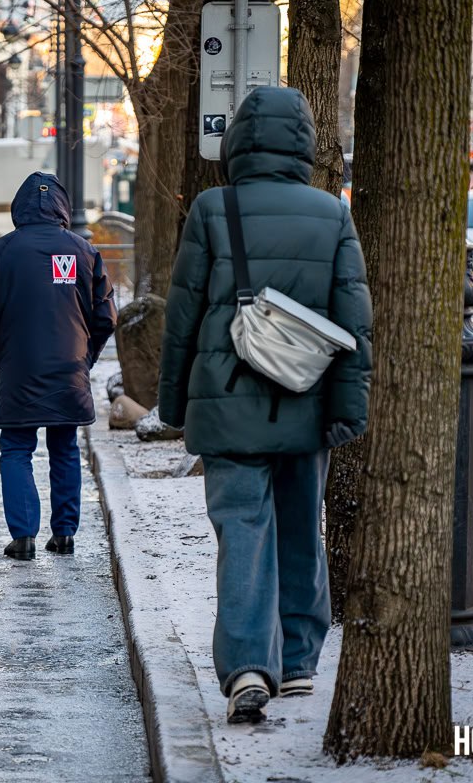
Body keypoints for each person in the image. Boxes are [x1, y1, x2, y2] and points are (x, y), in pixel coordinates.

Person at [158, 87, 373, 723]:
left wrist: (173, 403)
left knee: (242, 533)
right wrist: (349, 408)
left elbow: (183, 316)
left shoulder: (212, 208)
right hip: (305, 401)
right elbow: (353, 321)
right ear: (306, 144)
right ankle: (301, 662)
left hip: (227, 407)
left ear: (237, 144)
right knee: (302, 526)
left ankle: (249, 665)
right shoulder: (332, 213)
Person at [0, 172, 117, 561]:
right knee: (65, 446)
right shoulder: (83, 251)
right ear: (63, 208)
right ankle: (64, 533)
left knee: (16, 448)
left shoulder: (1, 251)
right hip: (70, 366)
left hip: (19, 367)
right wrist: (86, 357)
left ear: (19, 207)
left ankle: (23, 536)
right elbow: (106, 315)